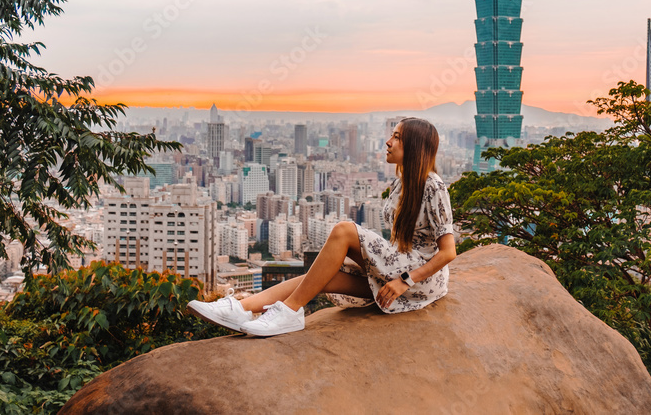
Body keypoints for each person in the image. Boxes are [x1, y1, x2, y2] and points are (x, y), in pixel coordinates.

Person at [187, 117, 456, 337]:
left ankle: (290, 312)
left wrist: (403, 282)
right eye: (391, 135)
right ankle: (241, 308)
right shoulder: (401, 183)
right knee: (322, 276)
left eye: (397, 137)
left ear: (415, 146)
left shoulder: (433, 186)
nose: (388, 142)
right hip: (398, 270)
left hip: (416, 281)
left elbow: (448, 253)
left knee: (343, 231)